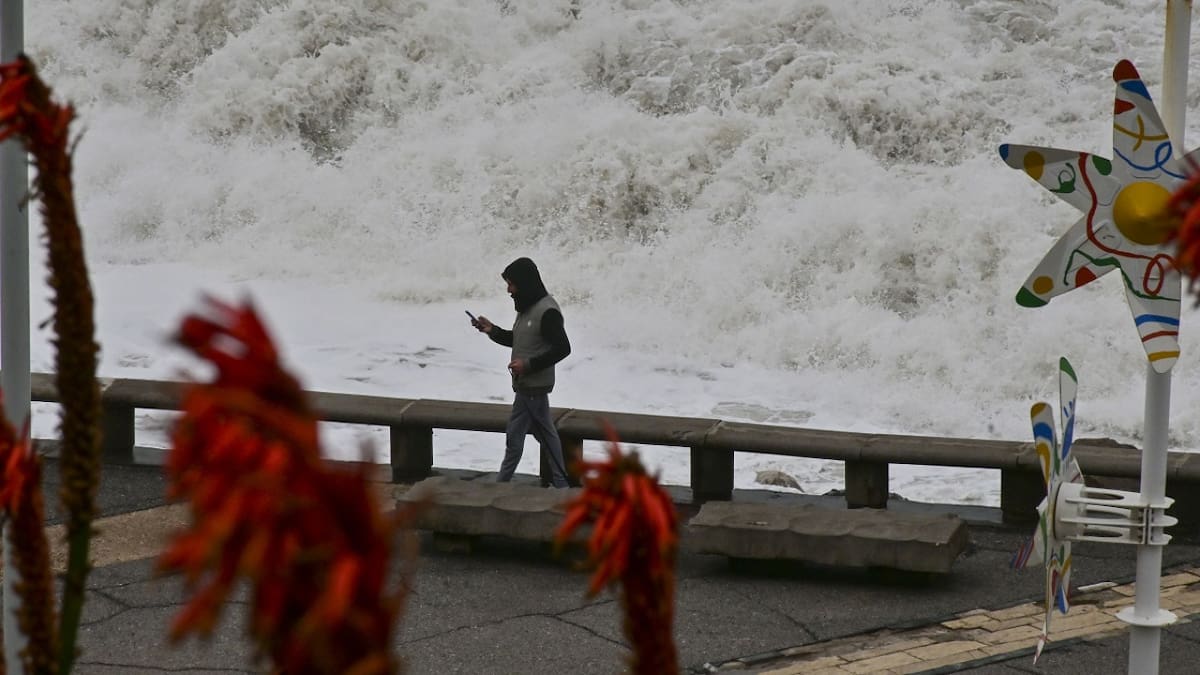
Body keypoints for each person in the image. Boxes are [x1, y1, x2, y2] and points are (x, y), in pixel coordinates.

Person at [471, 257, 572, 488]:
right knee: (522, 436)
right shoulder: (527, 307)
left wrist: (528, 365)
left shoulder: (547, 311)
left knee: (537, 436)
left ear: (525, 283)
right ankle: (509, 483)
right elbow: (520, 340)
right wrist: (492, 331)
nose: (508, 289)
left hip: (534, 386)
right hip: (525, 386)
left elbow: (563, 349)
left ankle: (559, 485)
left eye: (511, 284)